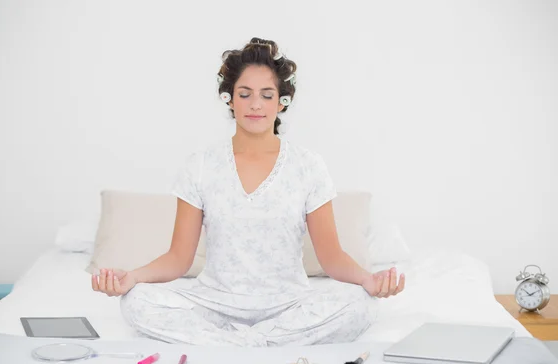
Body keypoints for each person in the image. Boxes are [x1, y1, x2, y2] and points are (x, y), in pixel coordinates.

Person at [92, 37, 405, 346]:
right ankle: (263, 345)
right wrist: (132, 277)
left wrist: (368, 279)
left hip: (287, 307)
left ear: (282, 101)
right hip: (215, 305)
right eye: (245, 94)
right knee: (135, 302)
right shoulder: (200, 165)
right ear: (230, 99)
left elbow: (332, 257)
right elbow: (178, 259)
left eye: (267, 95)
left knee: (361, 304)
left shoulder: (308, 165)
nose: (256, 104)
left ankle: (234, 344)